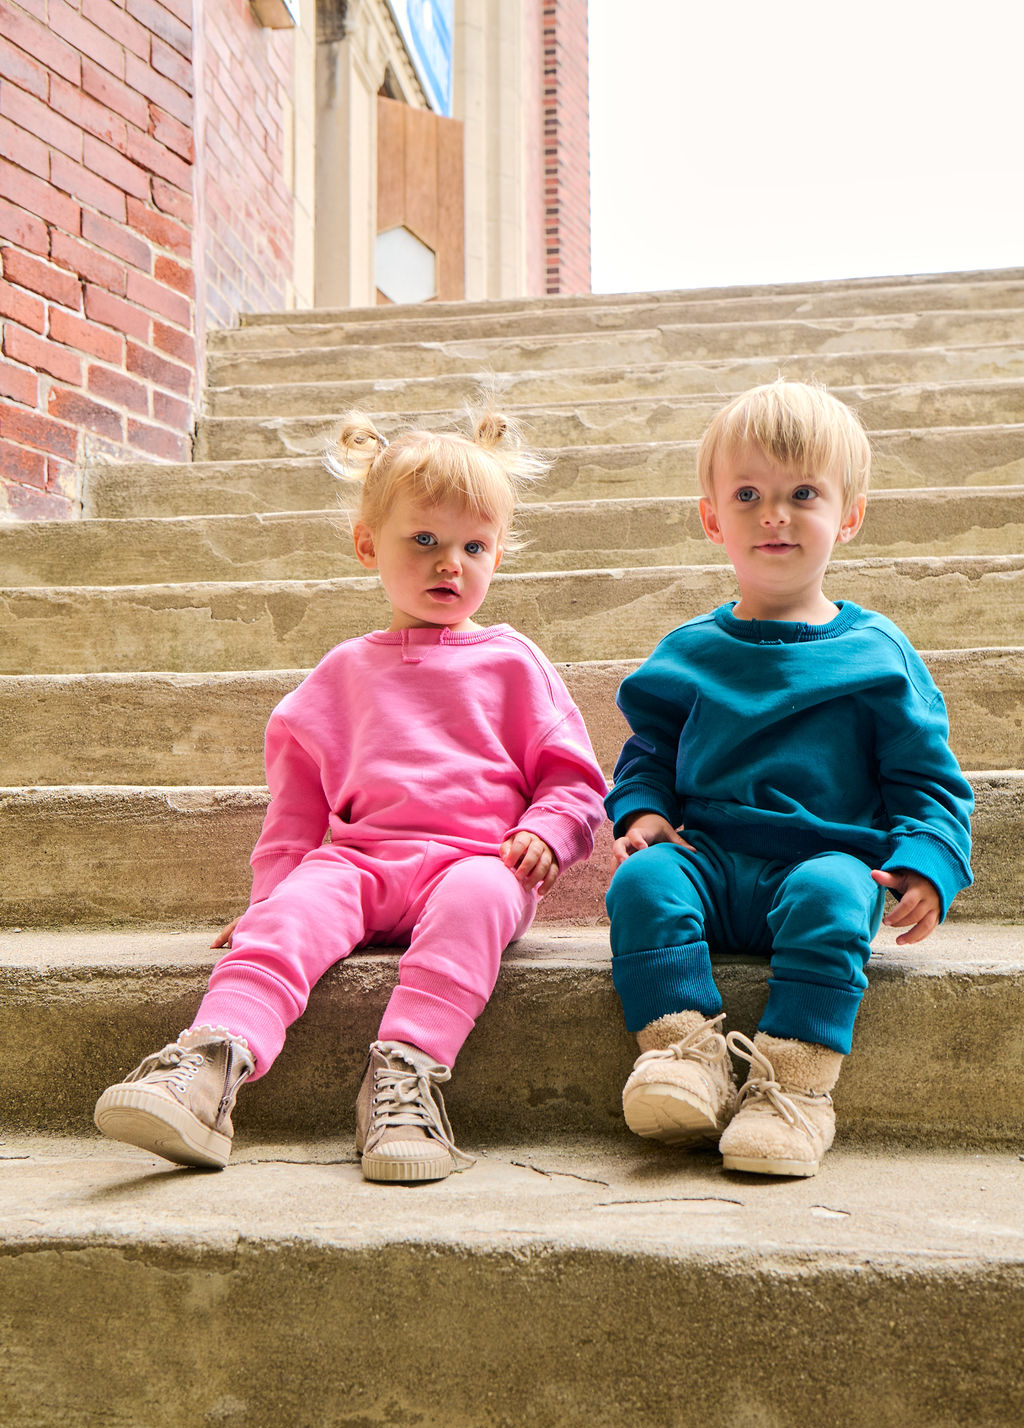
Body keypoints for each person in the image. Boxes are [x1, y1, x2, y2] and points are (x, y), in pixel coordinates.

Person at [95, 411, 607, 1182]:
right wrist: (271, 896)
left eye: (474, 546)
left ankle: (403, 1078)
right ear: (369, 545)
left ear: (497, 552)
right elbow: (296, 808)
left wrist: (549, 831)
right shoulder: (338, 674)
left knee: (476, 898)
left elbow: (574, 780)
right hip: (359, 861)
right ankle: (206, 1067)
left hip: (479, 859)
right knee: (291, 917)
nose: (451, 565)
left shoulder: (513, 662)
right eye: (424, 541)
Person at [604, 380, 973, 1178]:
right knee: (640, 886)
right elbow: (648, 753)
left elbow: (928, 779)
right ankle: (684, 1057)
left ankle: (794, 1090)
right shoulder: (687, 652)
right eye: (749, 495)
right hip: (708, 860)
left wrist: (927, 864)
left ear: (849, 515)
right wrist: (641, 812)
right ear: (713, 519)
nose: (774, 514)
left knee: (837, 898)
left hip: (823, 865)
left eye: (802, 493)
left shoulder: (878, 653)